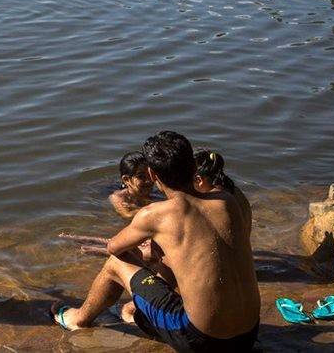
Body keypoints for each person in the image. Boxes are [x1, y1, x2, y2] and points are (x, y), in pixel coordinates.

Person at [51, 131, 259, 353]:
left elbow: (114, 247)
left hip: (202, 341)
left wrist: (144, 253)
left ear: (152, 174)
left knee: (116, 263)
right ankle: (135, 310)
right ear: (192, 165)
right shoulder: (226, 200)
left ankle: (78, 319)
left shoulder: (154, 215)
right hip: (248, 335)